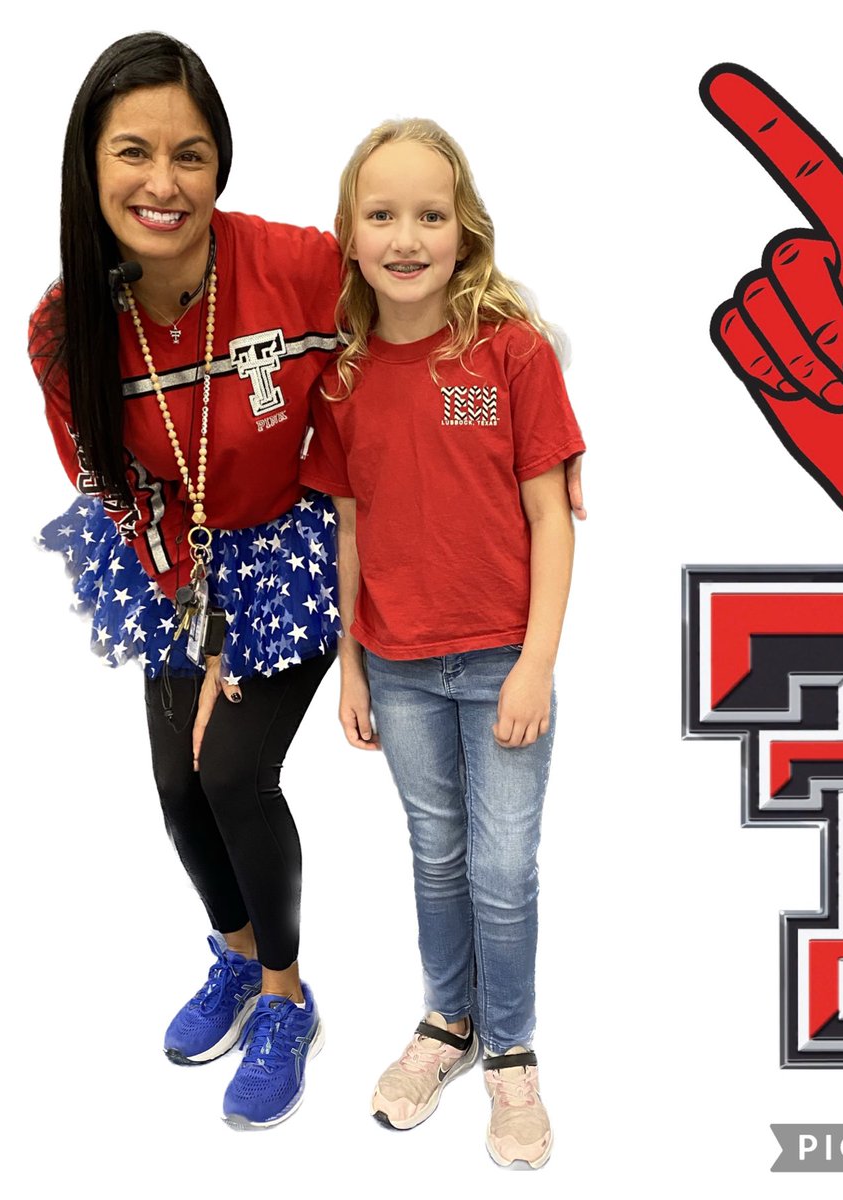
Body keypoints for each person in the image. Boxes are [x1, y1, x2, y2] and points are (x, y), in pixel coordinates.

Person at [29, 32, 340, 1130]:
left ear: (220, 165)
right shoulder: (66, 328)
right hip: (174, 563)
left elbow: (429, 298)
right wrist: (197, 631)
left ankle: (287, 1001)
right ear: (89, 162)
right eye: (134, 151)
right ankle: (239, 957)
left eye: (190, 154)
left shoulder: (300, 265)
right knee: (176, 785)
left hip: (293, 548)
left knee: (233, 773)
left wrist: (527, 417)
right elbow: (109, 487)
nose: (162, 183)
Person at [300, 118, 583, 1169]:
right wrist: (352, 664)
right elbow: (351, 528)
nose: (406, 237)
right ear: (350, 234)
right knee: (437, 853)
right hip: (401, 666)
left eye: (430, 214)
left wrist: (537, 663)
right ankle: (447, 1024)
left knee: (503, 869)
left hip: (503, 658)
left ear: (465, 230)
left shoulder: (509, 354)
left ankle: (512, 1053)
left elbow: (551, 516)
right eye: (382, 215)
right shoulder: (342, 377)